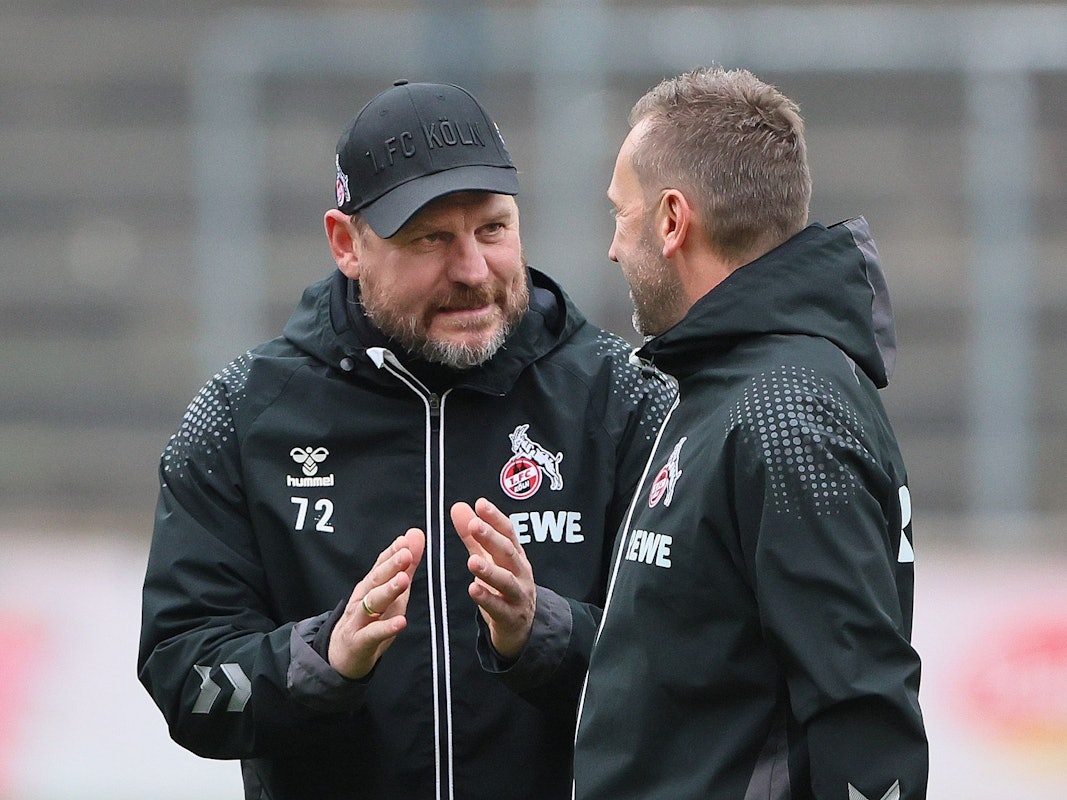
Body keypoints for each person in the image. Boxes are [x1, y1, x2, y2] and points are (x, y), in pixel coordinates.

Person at [136, 80, 674, 800]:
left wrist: (541, 634)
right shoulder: (243, 415)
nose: (472, 271)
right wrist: (321, 660)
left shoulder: (624, 398)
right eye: (430, 239)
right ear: (346, 244)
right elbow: (186, 681)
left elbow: (692, 663)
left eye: (493, 229)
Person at [458, 66, 928, 798]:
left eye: (621, 214)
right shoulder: (726, 386)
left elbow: (862, 715)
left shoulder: (784, 412)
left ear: (672, 220)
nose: (614, 247)